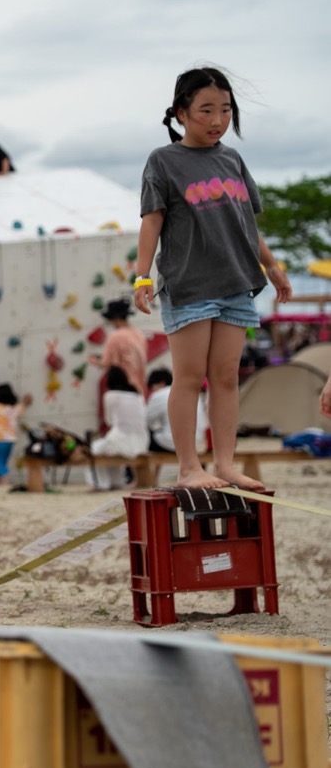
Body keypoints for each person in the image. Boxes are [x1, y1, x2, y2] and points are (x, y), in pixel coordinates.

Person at [134, 66, 291, 490]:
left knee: (225, 378)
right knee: (189, 378)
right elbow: (152, 221)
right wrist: (141, 276)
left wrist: (272, 266)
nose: (217, 119)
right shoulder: (164, 160)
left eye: (225, 110)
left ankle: (224, 464)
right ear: (181, 112)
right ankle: (188, 467)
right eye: (206, 110)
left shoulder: (232, 159)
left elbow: (247, 223)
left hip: (237, 282)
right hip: (189, 285)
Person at [88, 366, 150, 491]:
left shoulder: (110, 395)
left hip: (120, 441)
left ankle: (101, 484)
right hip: (142, 442)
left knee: (93, 449)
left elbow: (109, 420)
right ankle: (116, 481)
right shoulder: (137, 395)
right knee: (107, 449)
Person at [143, 368, 207, 456]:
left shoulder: (158, 394)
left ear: (162, 383)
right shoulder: (192, 393)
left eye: (153, 388)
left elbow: (146, 421)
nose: (153, 391)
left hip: (172, 444)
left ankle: (135, 465)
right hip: (197, 443)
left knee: (142, 436)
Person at [91, 298, 148, 394]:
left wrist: (95, 361)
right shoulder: (139, 334)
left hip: (122, 389)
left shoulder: (115, 336)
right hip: (139, 389)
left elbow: (106, 363)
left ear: (116, 319)